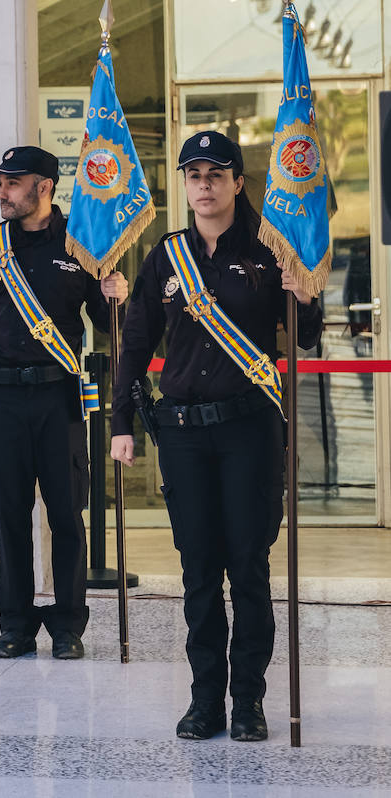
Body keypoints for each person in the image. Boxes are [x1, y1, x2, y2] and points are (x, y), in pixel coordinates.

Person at [111, 130, 321, 742]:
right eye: (193, 174)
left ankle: (249, 701)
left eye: (215, 174)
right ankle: (205, 699)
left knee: (247, 569)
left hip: (249, 433)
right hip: (182, 436)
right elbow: (137, 341)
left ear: (237, 182)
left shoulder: (269, 250)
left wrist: (303, 294)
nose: (203, 185)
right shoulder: (166, 254)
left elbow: (305, 333)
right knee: (199, 569)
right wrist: (121, 421)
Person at [0, 145, 126, 661]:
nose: (2, 191)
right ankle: (15, 624)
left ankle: (69, 624)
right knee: (8, 514)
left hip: (59, 397)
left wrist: (114, 293)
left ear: (44, 187)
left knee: (67, 515)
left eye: (12, 182)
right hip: (2, 397)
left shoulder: (81, 243)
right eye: (0, 182)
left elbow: (107, 321)